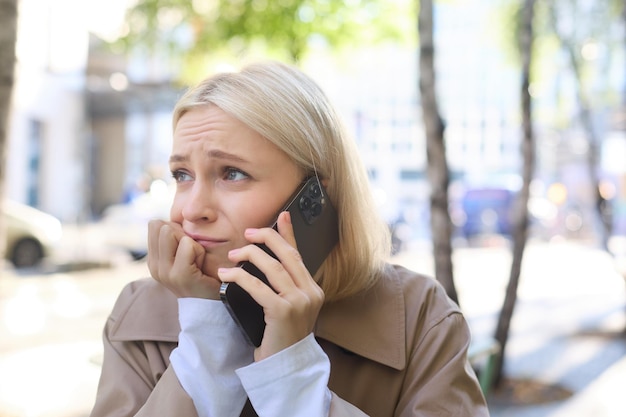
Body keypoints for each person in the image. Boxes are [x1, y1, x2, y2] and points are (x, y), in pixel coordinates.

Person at [90, 61, 490, 417]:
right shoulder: (138, 313)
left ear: (315, 198)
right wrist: (208, 341)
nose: (191, 210)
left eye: (231, 173)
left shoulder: (418, 315)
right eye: (182, 175)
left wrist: (293, 380)